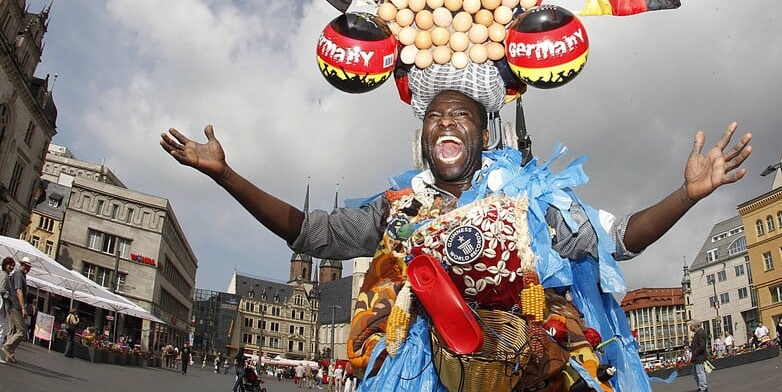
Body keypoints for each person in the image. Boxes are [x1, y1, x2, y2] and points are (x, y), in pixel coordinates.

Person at [162, 89, 751, 389]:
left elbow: (618, 239)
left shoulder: (526, 199)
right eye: (434, 117)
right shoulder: (397, 209)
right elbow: (310, 234)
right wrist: (226, 176)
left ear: (485, 130)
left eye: (460, 116)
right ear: (422, 137)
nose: (446, 123)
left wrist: (688, 196)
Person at [1, 256, 33, 364]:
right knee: (21, 331)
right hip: (16, 306)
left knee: (12, 330)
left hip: (12, 305)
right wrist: (23, 308)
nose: (27, 268)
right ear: (22, 265)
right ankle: (7, 347)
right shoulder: (19, 275)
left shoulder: (20, 275)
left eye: (29, 267)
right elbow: (19, 291)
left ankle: (9, 354)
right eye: (25, 266)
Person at [0, 256, 15, 362]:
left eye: (13, 265)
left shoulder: (5, 275)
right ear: (5, 264)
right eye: (10, 264)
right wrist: (11, 299)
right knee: (1, 330)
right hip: (2, 306)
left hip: (3, 307)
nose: (11, 267)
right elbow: (2, 290)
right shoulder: (4, 276)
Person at [689, 322, 709, 392]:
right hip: (696, 357)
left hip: (699, 356)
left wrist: (695, 352)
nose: (690, 327)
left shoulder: (700, 333)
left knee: (700, 372)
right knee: (694, 372)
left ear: (694, 326)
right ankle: (701, 386)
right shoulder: (698, 333)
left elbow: (702, 345)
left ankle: (703, 387)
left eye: (691, 326)